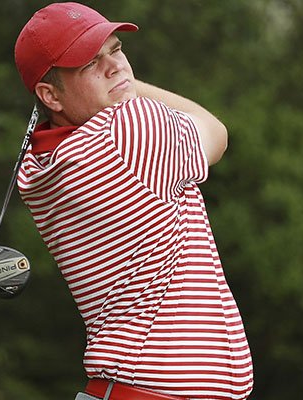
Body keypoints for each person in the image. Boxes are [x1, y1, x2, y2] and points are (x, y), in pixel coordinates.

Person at [14, 3, 253, 399]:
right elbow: (216, 131)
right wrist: (129, 85)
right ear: (49, 95)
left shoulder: (39, 166)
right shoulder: (130, 129)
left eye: (116, 50)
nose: (116, 66)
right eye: (90, 63)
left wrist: (110, 82)